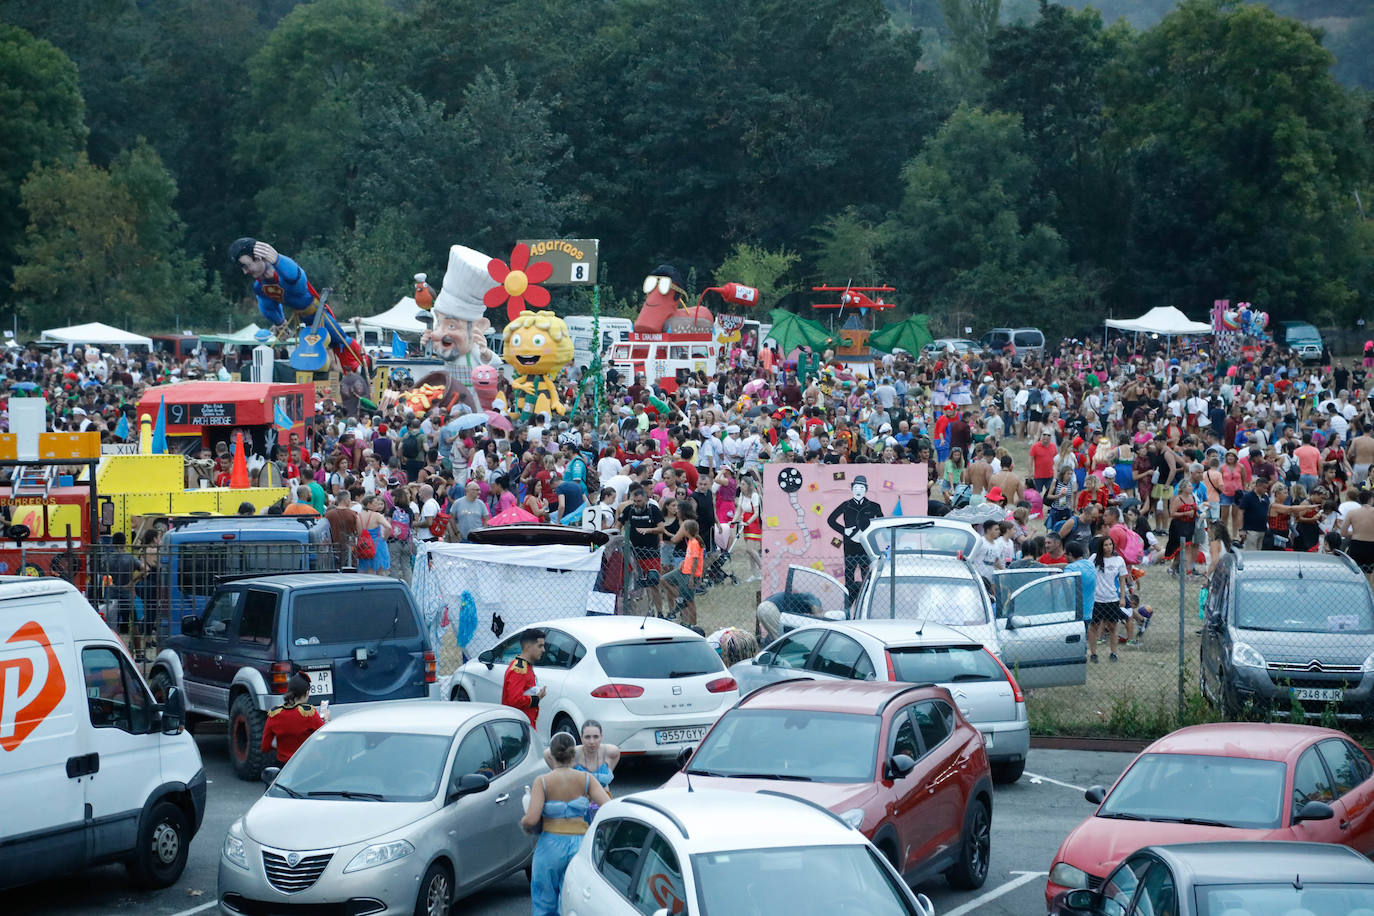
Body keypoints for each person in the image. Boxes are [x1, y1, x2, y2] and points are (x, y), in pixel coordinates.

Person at [521, 732, 611, 916]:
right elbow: (608, 807)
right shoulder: (586, 779)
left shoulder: (543, 782)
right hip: (580, 845)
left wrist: (524, 822)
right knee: (574, 901)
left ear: (552, 755)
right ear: (573, 755)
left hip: (550, 845)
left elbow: (531, 819)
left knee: (544, 899)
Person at [260, 674, 328, 764]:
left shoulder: (274, 714)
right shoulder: (309, 713)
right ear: (307, 693)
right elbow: (325, 738)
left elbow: (265, 747)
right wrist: (327, 721)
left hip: (284, 766)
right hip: (308, 764)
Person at [543, 719, 621, 792]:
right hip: (579, 799)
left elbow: (615, 757)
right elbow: (547, 753)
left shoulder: (610, 752)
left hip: (603, 797)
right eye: (587, 737)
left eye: (596, 737)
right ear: (581, 738)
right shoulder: (574, 753)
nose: (592, 741)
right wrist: (559, 771)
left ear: (601, 737)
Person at [1088, 535, 1131, 663]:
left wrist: (1122, 597)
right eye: (1105, 545)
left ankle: (1113, 652)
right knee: (1094, 626)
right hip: (1096, 599)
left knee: (1113, 627)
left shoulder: (1118, 560)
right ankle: (1093, 653)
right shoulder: (1094, 558)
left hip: (1112, 598)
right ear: (1101, 547)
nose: (1108, 547)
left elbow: (1122, 579)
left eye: (1110, 544)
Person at [661, 519, 705, 626]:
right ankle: (680, 599)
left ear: (686, 530)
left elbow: (695, 560)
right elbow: (690, 556)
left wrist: (691, 578)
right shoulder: (690, 541)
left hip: (689, 574)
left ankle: (693, 625)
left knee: (690, 602)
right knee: (663, 579)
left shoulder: (695, 542)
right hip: (683, 570)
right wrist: (683, 562)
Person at [502, 629, 547, 727]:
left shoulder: (526, 666)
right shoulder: (519, 670)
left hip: (523, 725)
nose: (543, 650)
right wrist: (536, 698)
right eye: (540, 646)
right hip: (517, 729)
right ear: (528, 647)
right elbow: (514, 700)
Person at [355, 494, 393, 575]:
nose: (378, 505)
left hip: (364, 546)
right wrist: (384, 538)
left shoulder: (358, 516)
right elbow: (389, 527)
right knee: (381, 572)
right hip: (377, 545)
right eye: (375, 503)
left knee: (365, 571)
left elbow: (358, 532)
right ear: (369, 504)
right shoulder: (377, 515)